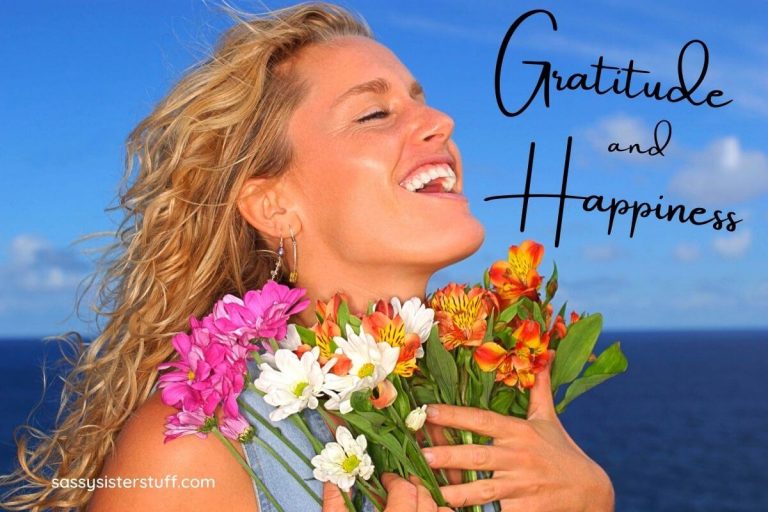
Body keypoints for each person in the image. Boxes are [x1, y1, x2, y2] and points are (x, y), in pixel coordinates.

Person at [0, 3, 614, 511]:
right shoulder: (188, 453)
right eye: (375, 113)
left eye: (421, 100)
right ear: (273, 206)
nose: (442, 121)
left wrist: (591, 499)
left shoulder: (483, 398)